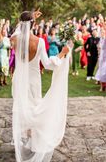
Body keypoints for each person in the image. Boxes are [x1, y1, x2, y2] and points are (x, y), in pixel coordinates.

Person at [10, 9, 70, 162]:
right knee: (35, 108)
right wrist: (62, 53)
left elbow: (18, 29)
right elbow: (48, 64)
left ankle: (22, 139)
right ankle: (35, 142)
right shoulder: (39, 42)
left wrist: (28, 19)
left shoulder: (14, 39)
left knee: (22, 107)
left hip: (19, 79)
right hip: (33, 80)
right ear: (33, 24)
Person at [94, 21, 106, 92]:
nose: (102, 33)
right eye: (101, 32)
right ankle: (102, 86)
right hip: (102, 56)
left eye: (103, 32)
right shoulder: (100, 40)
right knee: (101, 71)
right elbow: (99, 48)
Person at [0, 21, 11, 86]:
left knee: (6, 67)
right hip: (1, 54)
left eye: (5, 30)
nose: (4, 31)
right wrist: (1, 25)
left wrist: (9, 55)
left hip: (6, 54)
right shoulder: (1, 37)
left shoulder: (7, 39)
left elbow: (9, 48)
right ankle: (1, 81)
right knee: (1, 67)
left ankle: (5, 80)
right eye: (3, 30)